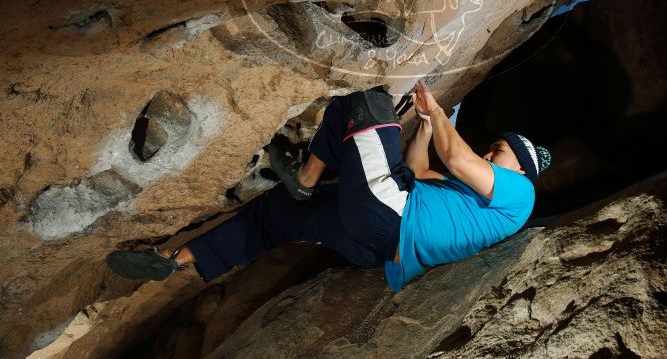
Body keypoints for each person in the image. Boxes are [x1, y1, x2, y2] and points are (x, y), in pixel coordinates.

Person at [106, 80, 551, 292]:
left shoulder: (521, 193)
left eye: (499, 149)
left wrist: (435, 113)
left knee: (365, 106)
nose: (491, 154)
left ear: (523, 167)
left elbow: (458, 158)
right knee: (274, 216)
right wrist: (426, 130)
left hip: (390, 219)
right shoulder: (470, 203)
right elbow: (418, 170)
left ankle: (305, 175)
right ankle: (175, 260)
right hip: (374, 243)